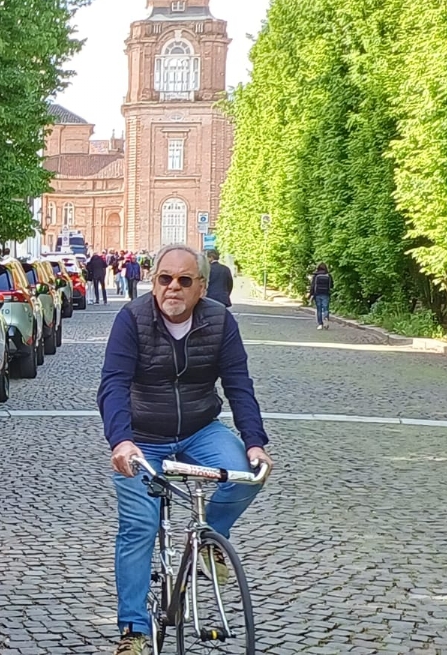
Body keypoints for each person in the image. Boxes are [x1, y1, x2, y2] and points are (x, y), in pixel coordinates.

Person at [97, 243, 272, 655]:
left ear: (201, 288)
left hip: (200, 429)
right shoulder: (132, 319)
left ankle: (212, 539)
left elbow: (238, 385)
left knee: (246, 478)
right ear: (153, 281)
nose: (172, 287)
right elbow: (113, 384)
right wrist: (121, 440)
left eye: (184, 280)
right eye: (164, 278)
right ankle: (134, 632)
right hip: (143, 437)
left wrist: (255, 443)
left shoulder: (220, 320)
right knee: (139, 527)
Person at [309, 262, 333, 329]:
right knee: (326, 308)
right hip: (326, 294)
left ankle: (320, 324)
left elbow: (313, 286)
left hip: (317, 294)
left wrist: (311, 294)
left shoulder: (316, 275)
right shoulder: (328, 275)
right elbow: (331, 285)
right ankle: (326, 318)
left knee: (319, 309)